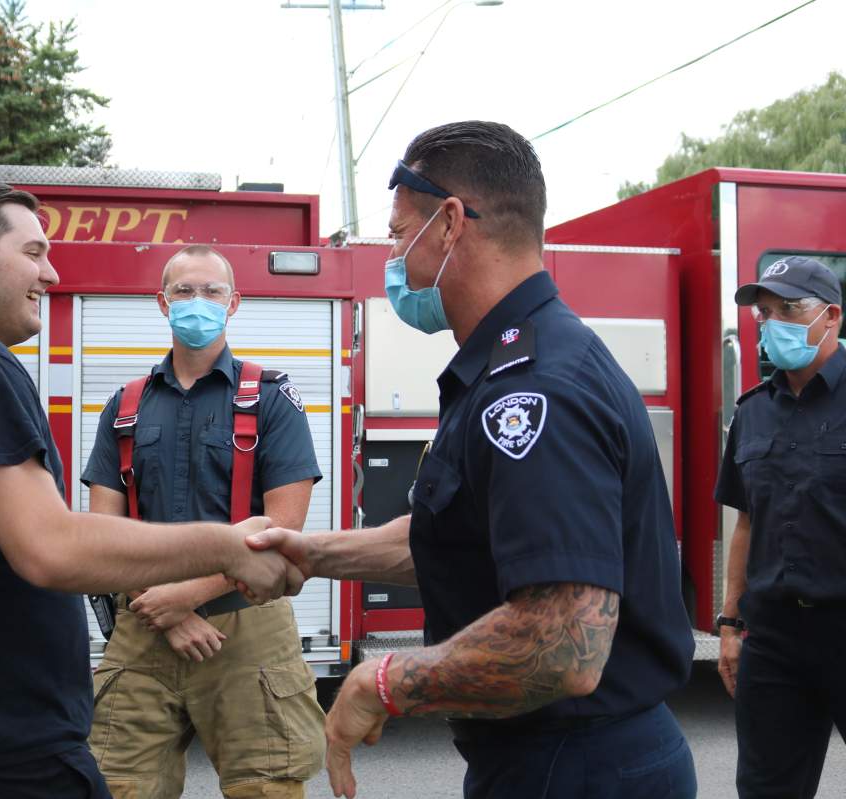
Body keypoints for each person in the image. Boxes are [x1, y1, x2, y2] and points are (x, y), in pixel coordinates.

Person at [246, 121, 697, 799]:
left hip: (576, 766)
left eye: (399, 235)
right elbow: (461, 536)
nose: (392, 259)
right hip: (551, 762)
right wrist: (313, 552)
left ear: (451, 223)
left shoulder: (534, 389)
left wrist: (387, 679)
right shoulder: (506, 366)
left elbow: (562, 643)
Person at [0, 182, 300, 799]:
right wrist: (226, 547)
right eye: (34, 252)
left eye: (212, 290)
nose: (52, 273)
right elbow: (55, 545)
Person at [81, 245, 326, 799]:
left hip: (246, 627)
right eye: (184, 291)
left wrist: (186, 597)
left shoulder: (272, 399)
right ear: (162, 304)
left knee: (267, 785)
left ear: (233, 303)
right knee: (118, 787)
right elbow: (103, 537)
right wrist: (166, 612)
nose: (198, 303)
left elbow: (283, 532)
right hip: (145, 625)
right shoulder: (124, 406)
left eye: (212, 291)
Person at [715, 255, 846, 799]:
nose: (771, 323)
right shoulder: (753, 412)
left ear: (831, 317)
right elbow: (745, 521)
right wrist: (728, 622)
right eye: (764, 313)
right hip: (773, 642)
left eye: (788, 309)